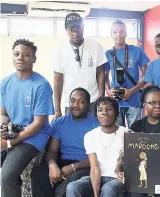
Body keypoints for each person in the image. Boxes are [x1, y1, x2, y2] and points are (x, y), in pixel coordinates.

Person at [0, 39, 54, 197]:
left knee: (8, 176)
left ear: (34, 59)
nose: (20, 58)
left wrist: (9, 143)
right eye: (16, 54)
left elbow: (38, 124)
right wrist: (3, 129)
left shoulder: (41, 85)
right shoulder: (5, 83)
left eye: (26, 55)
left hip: (34, 137)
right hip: (13, 131)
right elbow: (3, 114)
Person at [31, 87, 100, 197]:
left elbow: (97, 158)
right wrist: (52, 165)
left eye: (81, 102)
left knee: (64, 188)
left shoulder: (96, 125)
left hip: (84, 165)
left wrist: (73, 167)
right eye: (72, 100)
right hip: (62, 162)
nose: (75, 105)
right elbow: (53, 150)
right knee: (38, 174)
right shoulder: (59, 123)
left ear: (88, 105)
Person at [66, 96, 126, 197]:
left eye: (108, 109)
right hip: (97, 177)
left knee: (108, 189)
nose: (104, 112)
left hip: (118, 179)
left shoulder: (127, 133)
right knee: (73, 187)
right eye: (100, 110)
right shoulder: (90, 136)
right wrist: (96, 194)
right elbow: (94, 168)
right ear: (96, 116)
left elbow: (129, 163)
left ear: (116, 113)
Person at [53, 13, 107, 118]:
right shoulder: (60, 50)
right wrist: (57, 110)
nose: (75, 32)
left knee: (94, 132)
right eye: (71, 29)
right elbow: (57, 81)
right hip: (71, 103)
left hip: (93, 100)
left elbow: (100, 73)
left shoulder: (96, 46)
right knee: (72, 133)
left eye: (78, 28)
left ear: (83, 27)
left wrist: (101, 98)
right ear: (66, 30)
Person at [105, 20, 150, 127]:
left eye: (121, 31)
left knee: (134, 134)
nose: (118, 35)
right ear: (111, 34)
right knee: (116, 132)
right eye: (115, 32)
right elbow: (105, 77)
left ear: (126, 33)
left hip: (134, 100)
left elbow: (147, 76)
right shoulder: (107, 54)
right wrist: (108, 90)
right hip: (115, 100)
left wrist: (131, 91)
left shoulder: (137, 51)